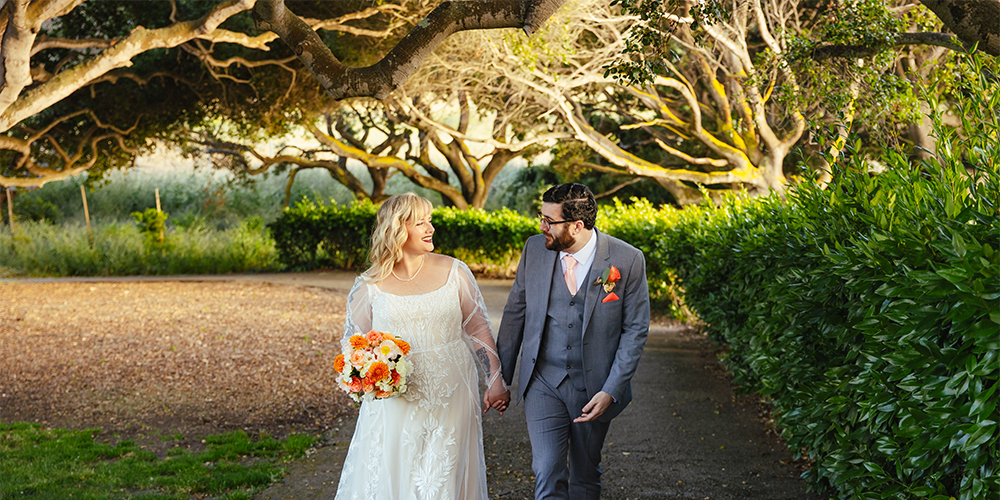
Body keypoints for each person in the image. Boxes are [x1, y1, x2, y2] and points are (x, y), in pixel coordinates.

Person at [335, 193, 510, 500]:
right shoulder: (369, 285)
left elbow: (478, 327)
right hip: (398, 399)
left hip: (452, 391)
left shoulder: (455, 271)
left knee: (442, 476)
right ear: (397, 230)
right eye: (421, 223)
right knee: (398, 469)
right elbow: (356, 349)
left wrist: (494, 378)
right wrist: (370, 377)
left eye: (430, 220)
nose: (430, 228)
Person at [497, 183, 650, 500]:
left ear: (577, 226)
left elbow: (635, 330)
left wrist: (610, 391)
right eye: (541, 217)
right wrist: (500, 376)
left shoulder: (627, 259)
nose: (542, 227)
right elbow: (515, 311)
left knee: (584, 473)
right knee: (547, 470)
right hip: (542, 380)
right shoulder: (535, 249)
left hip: (594, 386)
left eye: (549, 221)